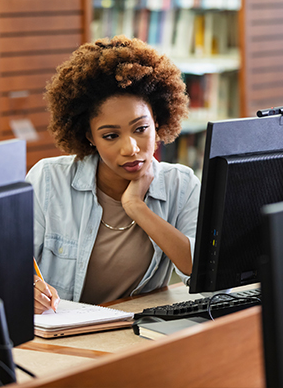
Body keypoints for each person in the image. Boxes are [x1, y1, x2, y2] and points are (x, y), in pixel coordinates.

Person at [26, 35, 200, 314]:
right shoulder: (48, 180)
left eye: (141, 129)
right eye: (110, 135)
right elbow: (5, 268)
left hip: (134, 336)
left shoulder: (182, 184)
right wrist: (27, 287)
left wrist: (137, 207)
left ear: (156, 122)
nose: (130, 148)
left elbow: (203, 274)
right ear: (90, 137)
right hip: (60, 336)